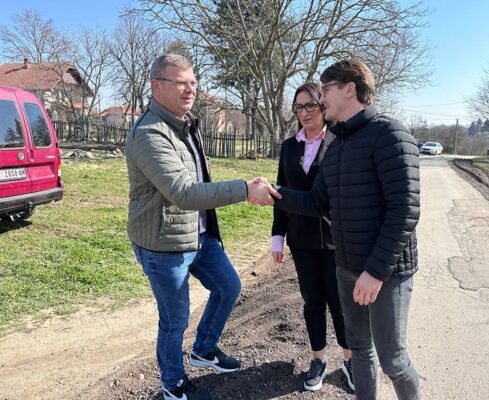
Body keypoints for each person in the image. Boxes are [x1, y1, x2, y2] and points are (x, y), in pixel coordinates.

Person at [125, 53, 280, 400]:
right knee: (175, 320)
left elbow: (197, 182)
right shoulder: (150, 133)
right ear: (157, 86)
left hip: (198, 235)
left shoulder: (184, 124)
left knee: (228, 287)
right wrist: (245, 190)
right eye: (180, 82)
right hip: (164, 245)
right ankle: (173, 384)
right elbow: (183, 192)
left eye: (193, 82)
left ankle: (204, 350)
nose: (190, 89)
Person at [272, 58, 421, 400]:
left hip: (386, 274)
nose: (322, 99)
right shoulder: (338, 145)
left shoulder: (390, 135)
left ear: (349, 88)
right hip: (347, 268)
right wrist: (274, 194)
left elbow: (405, 211)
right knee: (360, 351)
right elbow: (316, 202)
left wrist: (376, 272)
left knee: (393, 360)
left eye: (326, 90)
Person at [271, 82, 353, 392]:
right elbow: (281, 193)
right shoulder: (289, 147)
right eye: (298, 107)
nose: (304, 113)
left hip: (336, 239)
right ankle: (318, 359)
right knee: (312, 301)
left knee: (340, 303)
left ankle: (350, 359)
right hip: (301, 239)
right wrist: (277, 235)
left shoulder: (339, 142)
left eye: (310, 106)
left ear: (322, 106)